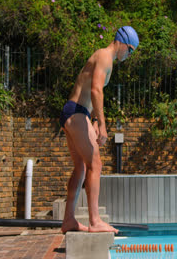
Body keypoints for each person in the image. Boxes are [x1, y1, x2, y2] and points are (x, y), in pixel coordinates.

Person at [59, 26, 139, 233]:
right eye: (129, 50)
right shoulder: (105, 56)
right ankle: (95, 221)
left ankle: (68, 220)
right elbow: (95, 89)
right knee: (95, 163)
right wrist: (103, 124)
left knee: (81, 168)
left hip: (76, 111)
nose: (128, 56)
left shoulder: (104, 59)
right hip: (76, 112)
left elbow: (91, 92)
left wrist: (93, 120)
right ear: (121, 42)